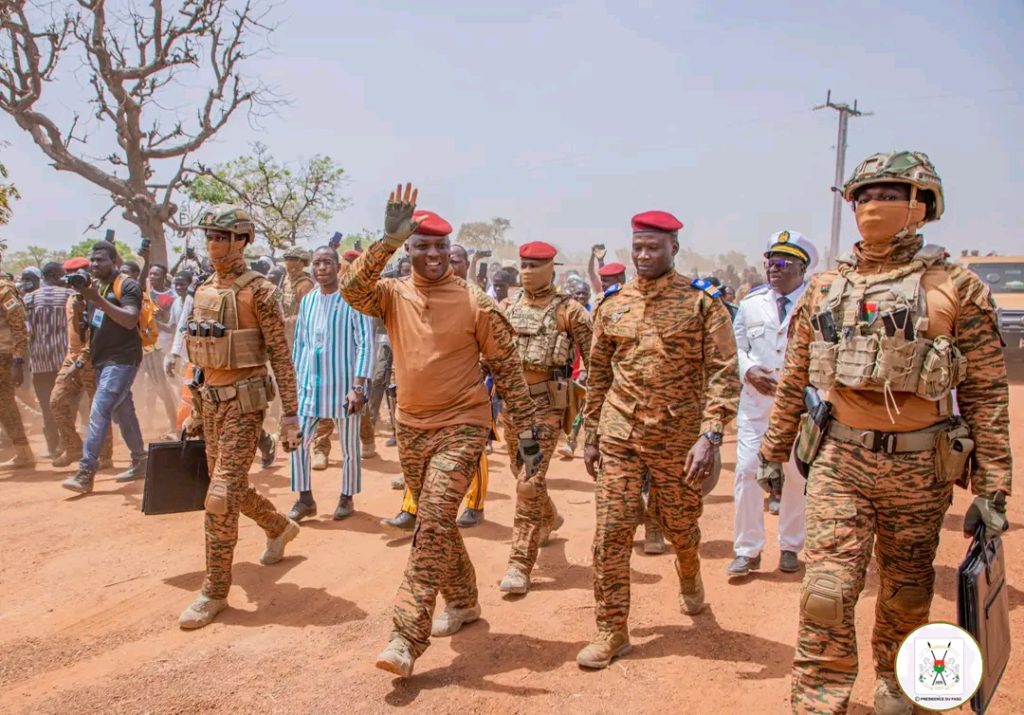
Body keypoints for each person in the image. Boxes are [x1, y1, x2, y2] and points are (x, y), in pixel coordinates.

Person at [758, 151, 1012, 714]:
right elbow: (794, 377)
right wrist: (773, 455)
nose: (874, 205)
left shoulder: (957, 287)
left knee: (907, 591)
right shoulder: (825, 288)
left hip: (921, 472)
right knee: (826, 592)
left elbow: (988, 394)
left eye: (890, 194)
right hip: (840, 462)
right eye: (864, 196)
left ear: (922, 206)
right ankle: (819, 698)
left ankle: (896, 686)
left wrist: (993, 487)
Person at [340, 183, 539, 678]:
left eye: (439, 247)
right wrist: (385, 240)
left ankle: (406, 636)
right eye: (420, 246)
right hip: (410, 426)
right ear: (408, 250)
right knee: (440, 525)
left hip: (463, 425)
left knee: (429, 520)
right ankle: (466, 601)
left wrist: (527, 433)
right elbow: (350, 289)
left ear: (452, 252)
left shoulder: (475, 302)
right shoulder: (390, 293)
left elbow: (508, 368)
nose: (432, 255)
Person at [578, 210, 740, 669]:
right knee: (611, 532)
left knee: (679, 526)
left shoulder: (701, 304)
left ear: (673, 248)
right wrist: (591, 433)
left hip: (678, 438)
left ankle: (689, 571)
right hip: (620, 435)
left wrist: (711, 434)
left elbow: (724, 375)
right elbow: (598, 376)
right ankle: (612, 630)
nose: (644, 256)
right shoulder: (612, 305)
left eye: (654, 247)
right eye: (638, 248)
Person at [176, 205, 302, 630]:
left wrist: (290, 417)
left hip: (245, 405)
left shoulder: (260, 291)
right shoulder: (204, 289)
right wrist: (195, 406)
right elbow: (199, 354)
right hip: (210, 402)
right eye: (210, 235)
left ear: (243, 240)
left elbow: (281, 357)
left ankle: (214, 589)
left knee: (220, 495)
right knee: (229, 486)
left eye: (224, 236)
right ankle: (278, 525)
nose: (214, 243)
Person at [497, 240, 593, 595]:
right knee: (517, 470)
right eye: (523, 264)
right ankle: (549, 516)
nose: (527, 271)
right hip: (513, 407)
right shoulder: (506, 307)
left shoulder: (570, 312)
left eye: (535, 265)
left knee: (528, 480)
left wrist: (591, 417)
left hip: (547, 409)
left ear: (552, 268)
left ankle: (520, 563)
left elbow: (596, 361)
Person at [381, 242, 496, 531]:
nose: (452, 264)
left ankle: (475, 503)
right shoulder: (417, 294)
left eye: (457, 260)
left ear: (464, 265)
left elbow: (493, 349)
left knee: (475, 448)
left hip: (469, 389)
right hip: (424, 399)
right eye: (451, 260)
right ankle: (411, 507)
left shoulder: (474, 299)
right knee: (420, 456)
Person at [728, 230, 817, 580]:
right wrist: (748, 370)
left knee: (796, 476)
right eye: (769, 262)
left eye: (782, 263)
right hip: (755, 404)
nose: (773, 269)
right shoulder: (751, 304)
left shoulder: (816, 303)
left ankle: (791, 546)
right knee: (747, 472)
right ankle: (746, 550)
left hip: (799, 407)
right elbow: (733, 349)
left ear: (801, 268)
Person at [286, 246, 374, 522]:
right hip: (310, 388)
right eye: (316, 263)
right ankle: (304, 498)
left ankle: (347, 497)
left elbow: (365, 344)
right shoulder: (309, 300)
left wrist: (358, 387)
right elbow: (300, 343)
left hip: (344, 390)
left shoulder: (352, 300)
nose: (321, 268)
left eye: (326, 262)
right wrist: (295, 383)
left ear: (338, 267)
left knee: (349, 448)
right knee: (297, 442)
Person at [61, 242, 149, 491]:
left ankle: (86, 471)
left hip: (122, 360)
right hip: (101, 360)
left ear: (114, 261)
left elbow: (130, 320)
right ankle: (140, 460)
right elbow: (86, 331)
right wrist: (80, 311)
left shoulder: (127, 285)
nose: (95, 264)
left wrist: (97, 299)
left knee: (99, 410)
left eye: (101, 260)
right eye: (93, 260)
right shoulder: (95, 288)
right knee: (124, 412)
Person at [50, 258, 113, 469]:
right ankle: (73, 446)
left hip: (93, 358)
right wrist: (78, 310)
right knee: (56, 402)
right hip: (72, 357)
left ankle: (104, 455)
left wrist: (81, 360)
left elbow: (96, 334)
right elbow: (76, 331)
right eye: (72, 277)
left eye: (81, 275)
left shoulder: (99, 297)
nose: (78, 281)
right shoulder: (73, 299)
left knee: (98, 408)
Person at [23, 262, 73, 458]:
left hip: (40, 362)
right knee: (66, 403)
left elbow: (28, 333)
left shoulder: (30, 299)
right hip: (65, 361)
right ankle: (68, 442)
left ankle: (52, 446)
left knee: (46, 406)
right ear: (56, 275)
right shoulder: (69, 296)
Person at [0, 250, 33, 469]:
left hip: (3, 356)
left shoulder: (5, 291)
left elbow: (19, 328)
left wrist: (18, 362)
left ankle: (24, 453)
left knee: (5, 405)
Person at [139, 262, 180, 435]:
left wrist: (156, 322)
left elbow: (171, 327)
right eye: (151, 274)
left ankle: (174, 422)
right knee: (150, 385)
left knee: (162, 385)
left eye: (156, 274)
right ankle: (149, 420)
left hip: (162, 344)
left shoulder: (171, 297)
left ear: (164, 277)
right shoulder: (146, 292)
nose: (152, 277)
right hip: (146, 344)